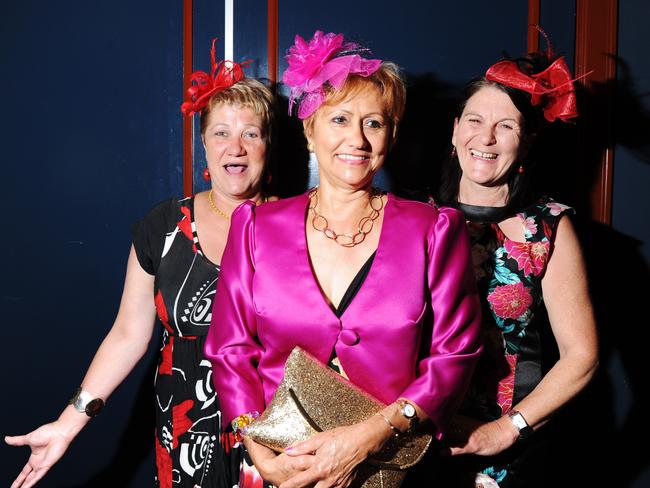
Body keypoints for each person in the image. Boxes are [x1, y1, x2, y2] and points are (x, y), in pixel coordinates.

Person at [204, 30, 482, 488]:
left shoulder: (433, 229)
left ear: (390, 136)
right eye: (339, 120)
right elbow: (231, 352)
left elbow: (456, 354)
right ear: (309, 130)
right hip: (278, 467)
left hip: (392, 468)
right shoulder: (255, 226)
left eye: (374, 123)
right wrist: (259, 453)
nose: (357, 138)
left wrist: (368, 438)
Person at [5, 41, 275, 488]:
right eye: (222, 132)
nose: (237, 146)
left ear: (267, 144)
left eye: (251, 132)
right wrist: (67, 424)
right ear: (203, 142)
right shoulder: (163, 226)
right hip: (186, 434)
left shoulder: (298, 226)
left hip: (276, 432)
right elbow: (129, 335)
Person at [434, 41, 599, 487]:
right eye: (474, 121)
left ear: (526, 143)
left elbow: (582, 356)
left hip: (510, 456)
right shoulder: (413, 216)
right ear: (454, 132)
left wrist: (505, 431)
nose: (485, 138)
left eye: (505, 126)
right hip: (417, 442)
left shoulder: (548, 228)